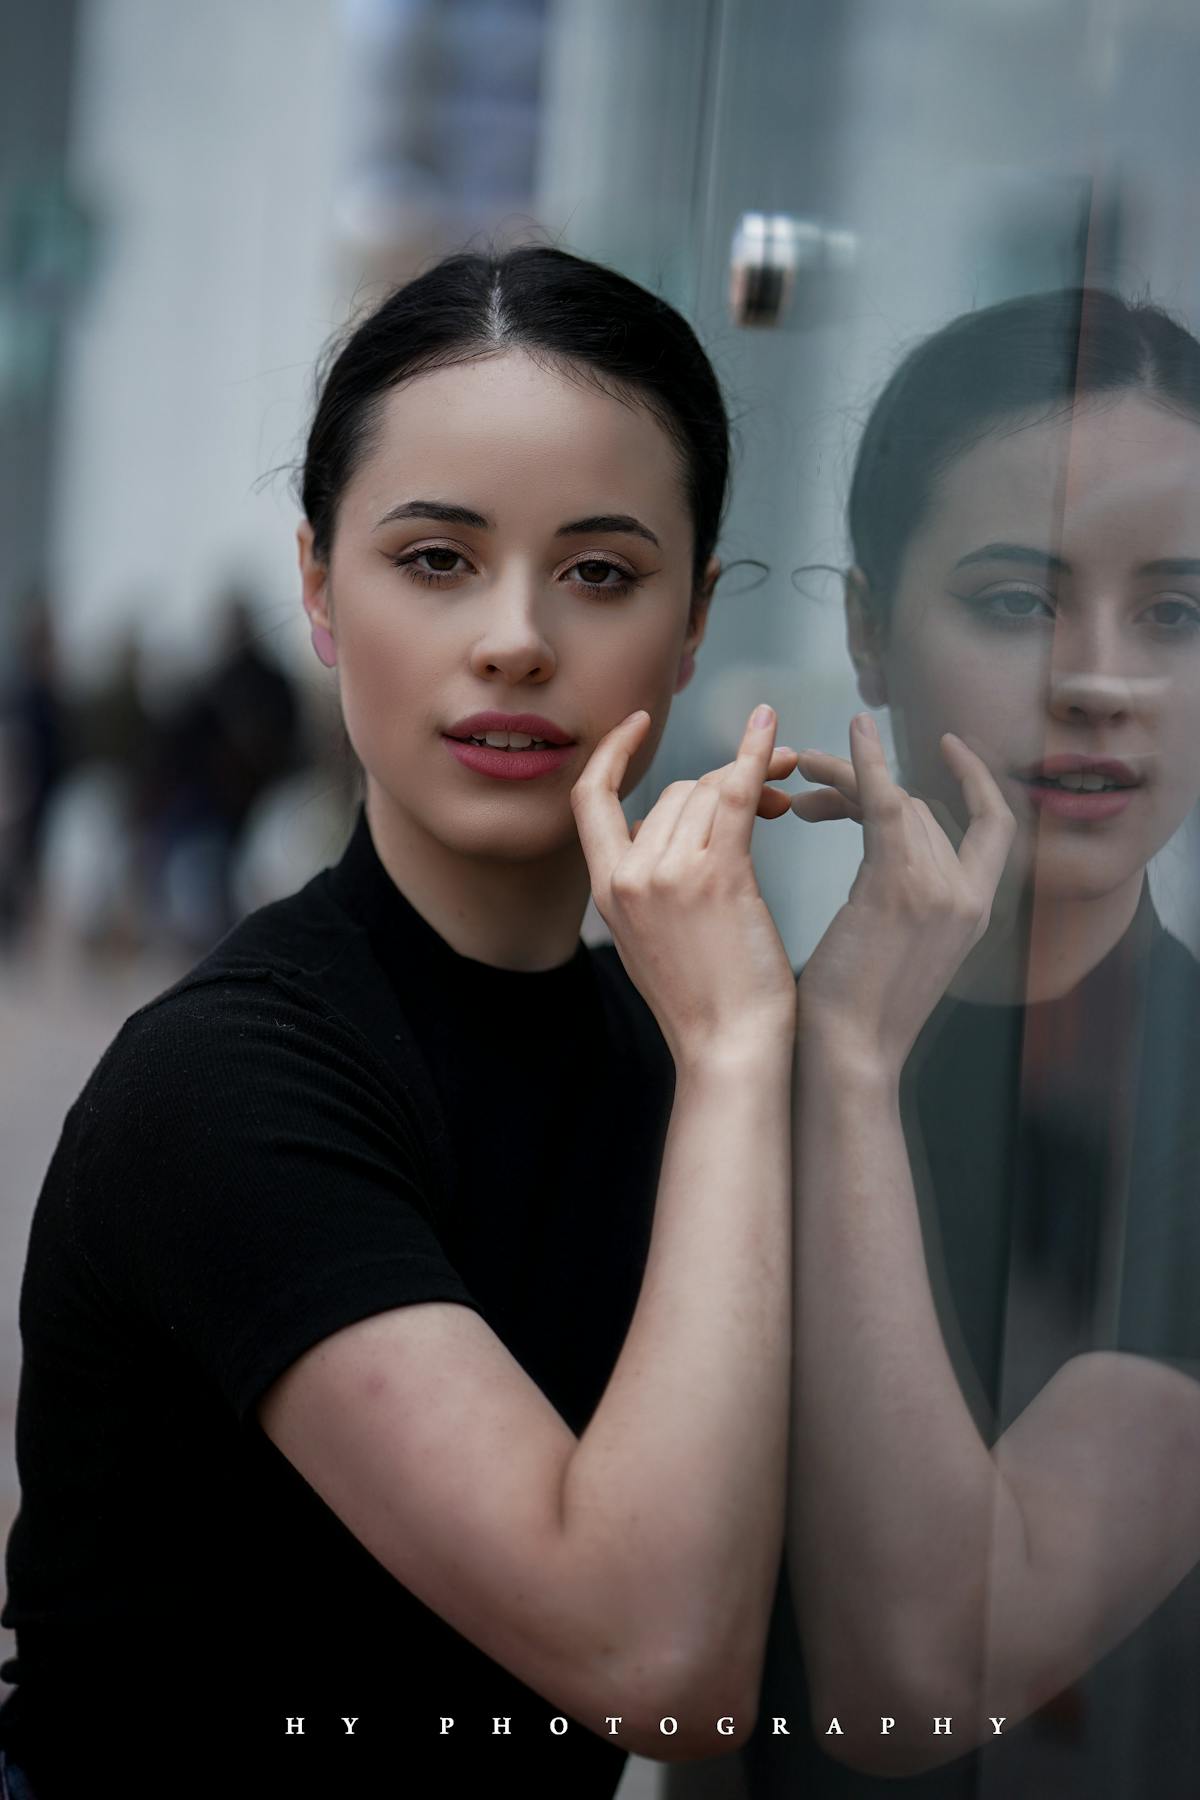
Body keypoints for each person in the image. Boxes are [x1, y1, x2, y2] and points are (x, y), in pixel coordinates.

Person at [0, 246, 800, 1798]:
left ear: (695, 624)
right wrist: (744, 1051)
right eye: (436, 558)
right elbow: (664, 1665)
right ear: (315, 584)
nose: (514, 638)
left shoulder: (661, 1060)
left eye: (601, 572)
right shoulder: (228, 1088)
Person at [739, 287, 1200, 1799]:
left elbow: (917, 1683)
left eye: (1177, 613)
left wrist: (851, 1071)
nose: (1103, 682)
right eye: (1017, 600)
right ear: (868, 631)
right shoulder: (732, 1053)